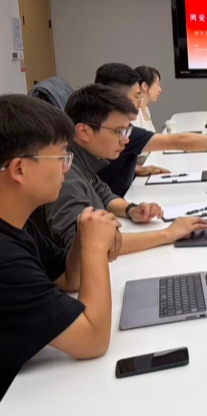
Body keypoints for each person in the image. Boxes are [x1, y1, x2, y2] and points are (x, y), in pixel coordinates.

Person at [0, 95, 121, 399]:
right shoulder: (5, 259)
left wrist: (83, 235)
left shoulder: (18, 224)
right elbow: (93, 340)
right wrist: (95, 249)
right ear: (19, 169)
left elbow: (68, 278)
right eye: (61, 158)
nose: (67, 169)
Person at [42, 85, 207, 254]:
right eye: (119, 132)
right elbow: (89, 245)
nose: (126, 141)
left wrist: (131, 210)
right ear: (84, 131)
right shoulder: (66, 176)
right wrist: (169, 234)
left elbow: (104, 195)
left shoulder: (83, 159)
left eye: (127, 131)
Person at [94, 63, 207, 197]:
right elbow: (180, 141)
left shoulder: (104, 126)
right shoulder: (121, 132)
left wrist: (134, 170)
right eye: (136, 96)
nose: (139, 101)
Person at [133, 65, 161, 132]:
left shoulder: (146, 110)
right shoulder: (135, 113)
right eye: (157, 84)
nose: (160, 89)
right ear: (145, 86)